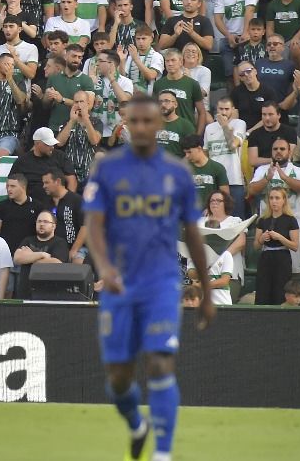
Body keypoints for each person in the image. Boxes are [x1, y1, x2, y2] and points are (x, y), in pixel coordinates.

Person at [84, 96, 216, 461]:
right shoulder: (107, 169)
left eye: (147, 121)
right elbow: (93, 226)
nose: (141, 127)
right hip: (119, 283)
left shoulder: (177, 174)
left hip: (161, 282)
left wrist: (205, 291)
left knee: (159, 363)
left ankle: (162, 452)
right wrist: (105, 267)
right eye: (134, 122)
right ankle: (135, 425)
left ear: (159, 125)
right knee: (119, 378)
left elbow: (192, 234)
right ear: (126, 124)